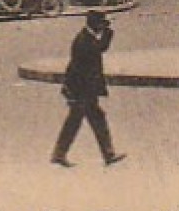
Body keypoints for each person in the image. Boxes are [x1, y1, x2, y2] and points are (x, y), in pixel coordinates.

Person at [51, 11, 126, 168]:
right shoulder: (85, 42)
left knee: (76, 122)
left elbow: (100, 48)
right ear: (96, 25)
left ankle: (60, 153)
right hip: (82, 91)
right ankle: (108, 154)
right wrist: (109, 31)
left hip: (81, 90)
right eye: (101, 24)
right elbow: (98, 50)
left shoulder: (85, 37)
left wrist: (107, 30)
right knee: (92, 120)